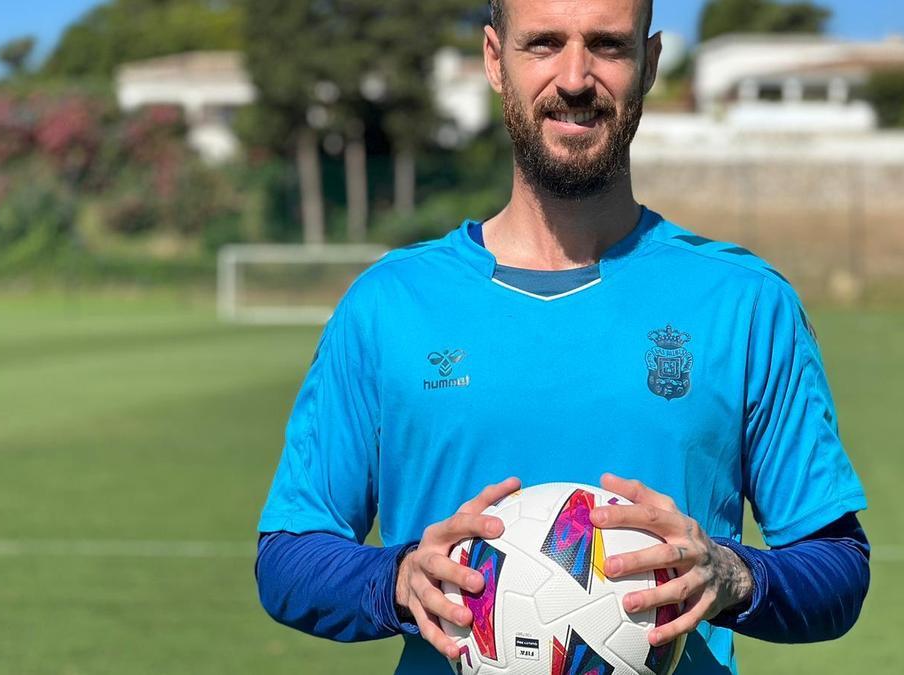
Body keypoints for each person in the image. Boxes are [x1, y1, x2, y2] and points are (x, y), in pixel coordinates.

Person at [255, 0, 871, 672]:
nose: (575, 78)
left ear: (650, 63)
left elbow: (837, 565)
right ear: (495, 60)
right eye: (544, 44)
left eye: (607, 46)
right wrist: (398, 580)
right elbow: (288, 555)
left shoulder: (745, 303)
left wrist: (733, 575)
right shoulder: (390, 305)